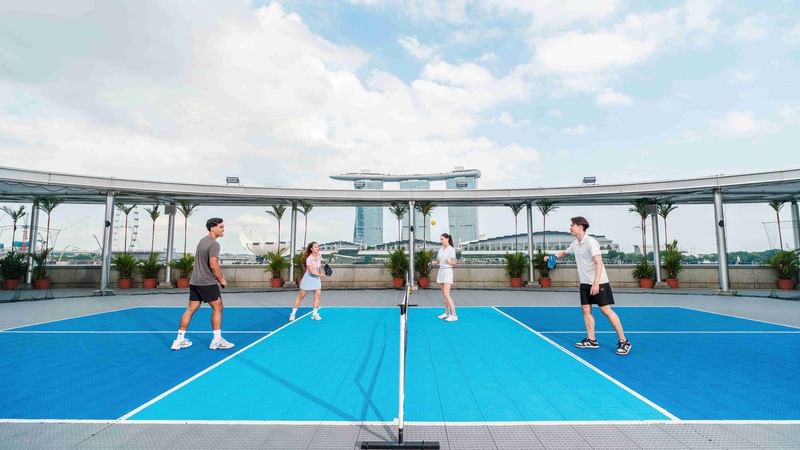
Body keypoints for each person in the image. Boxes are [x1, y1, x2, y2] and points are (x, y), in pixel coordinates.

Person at [551, 216, 631, 356]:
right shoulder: (576, 243)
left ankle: (624, 341)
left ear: (580, 226)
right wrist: (553, 256)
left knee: (606, 311)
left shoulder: (591, 242)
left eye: (572, 225)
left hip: (598, 282)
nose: (570, 227)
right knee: (586, 310)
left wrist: (596, 283)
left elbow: (599, 263)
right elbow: (565, 252)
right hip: (585, 283)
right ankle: (592, 340)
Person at [171, 217, 235, 351]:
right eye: (221, 227)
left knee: (190, 309)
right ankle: (217, 341)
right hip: (207, 282)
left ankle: (179, 340)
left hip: (195, 282)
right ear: (212, 228)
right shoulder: (214, 244)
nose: (223, 229)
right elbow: (213, 265)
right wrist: (221, 279)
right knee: (218, 307)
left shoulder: (202, 241)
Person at [289, 241, 325, 321]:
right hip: (308, 279)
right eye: (315, 247)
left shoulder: (319, 256)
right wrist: (320, 275)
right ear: (311, 249)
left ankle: (314, 314)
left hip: (316, 279)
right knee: (301, 296)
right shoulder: (309, 259)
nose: (317, 248)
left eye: (318, 246)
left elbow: (319, 267)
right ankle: (293, 314)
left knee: (317, 295)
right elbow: (311, 272)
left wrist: (320, 273)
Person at [433, 233, 458, 322]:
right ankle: (447, 313)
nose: (441, 241)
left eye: (442, 239)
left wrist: (449, 262)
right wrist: (432, 263)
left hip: (448, 271)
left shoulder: (451, 249)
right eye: (440, 239)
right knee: (444, 295)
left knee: (447, 294)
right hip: (441, 271)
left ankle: (454, 315)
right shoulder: (440, 250)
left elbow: (455, 262)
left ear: (447, 239)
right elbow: (438, 261)